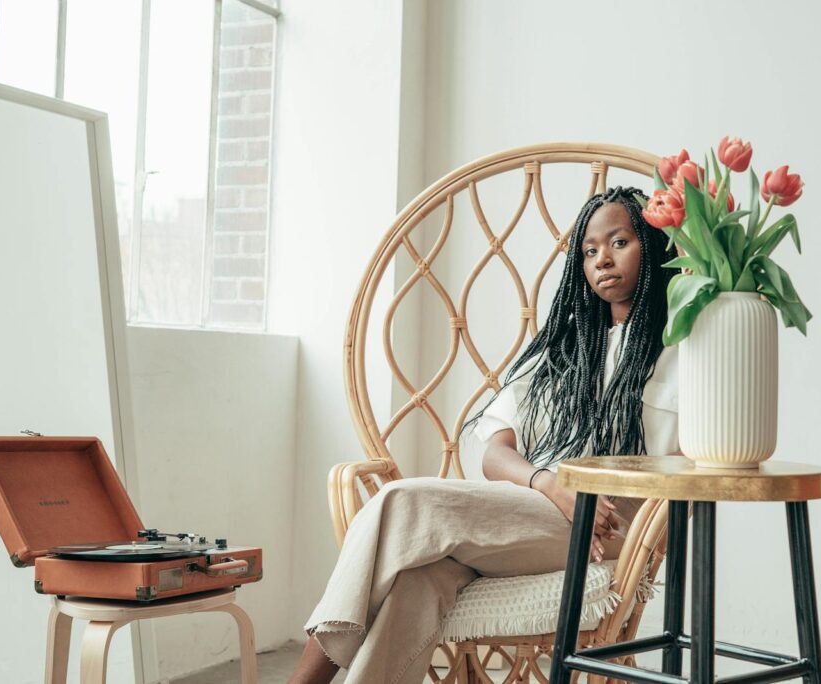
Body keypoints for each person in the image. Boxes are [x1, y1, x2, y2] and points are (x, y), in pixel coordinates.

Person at [289, 186, 680, 684]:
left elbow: (691, 463)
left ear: (652, 244)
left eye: (619, 242)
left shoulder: (681, 351)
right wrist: (550, 486)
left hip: (611, 529)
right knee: (417, 581)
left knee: (404, 503)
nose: (602, 258)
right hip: (531, 509)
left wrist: (586, 497)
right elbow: (496, 452)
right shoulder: (559, 354)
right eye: (589, 250)